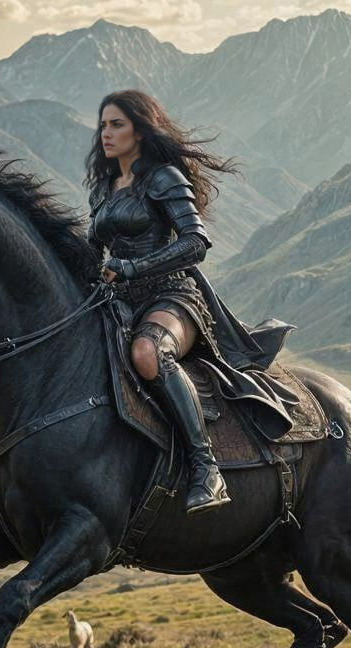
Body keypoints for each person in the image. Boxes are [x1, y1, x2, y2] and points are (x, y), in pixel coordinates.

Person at [86, 90, 296, 514]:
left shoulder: (163, 177)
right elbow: (96, 248)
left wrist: (131, 268)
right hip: (117, 300)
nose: (106, 133)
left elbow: (196, 242)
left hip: (172, 294)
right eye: (103, 125)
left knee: (148, 352)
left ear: (141, 130)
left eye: (117, 124)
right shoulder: (104, 188)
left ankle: (206, 468)